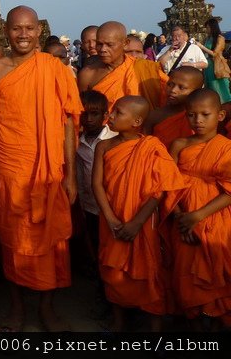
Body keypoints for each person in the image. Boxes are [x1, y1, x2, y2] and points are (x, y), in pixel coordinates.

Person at [0, 6, 82, 332]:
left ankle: (46, 309)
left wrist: (71, 175)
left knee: (52, 242)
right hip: (12, 168)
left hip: (51, 170)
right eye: (17, 28)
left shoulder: (55, 68)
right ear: (6, 30)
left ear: (39, 30)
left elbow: (67, 123)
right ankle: (18, 309)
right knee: (14, 239)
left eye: (29, 28)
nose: (23, 34)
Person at [91, 96, 187, 332]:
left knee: (149, 271)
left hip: (142, 222)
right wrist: (111, 219)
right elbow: (97, 185)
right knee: (113, 271)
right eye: (112, 111)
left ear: (136, 121)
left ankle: (155, 329)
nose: (110, 116)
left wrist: (137, 222)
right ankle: (119, 323)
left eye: (118, 113)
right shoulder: (104, 146)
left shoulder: (152, 147)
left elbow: (160, 189)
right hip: (111, 219)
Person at [169, 89, 231, 328]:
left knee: (214, 272)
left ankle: (212, 318)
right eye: (192, 115)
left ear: (221, 115)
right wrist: (179, 216)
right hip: (181, 216)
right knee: (184, 272)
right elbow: (168, 184)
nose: (199, 121)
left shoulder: (226, 148)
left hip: (214, 216)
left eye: (206, 114)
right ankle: (190, 320)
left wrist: (197, 215)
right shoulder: (179, 144)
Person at [78, 21, 167, 110]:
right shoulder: (88, 74)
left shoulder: (147, 70)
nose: (103, 49)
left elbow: (168, 103)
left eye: (109, 45)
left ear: (125, 43)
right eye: (99, 44)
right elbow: (82, 111)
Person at [75, 91, 115, 275]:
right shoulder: (76, 141)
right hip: (90, 205)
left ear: (105, 116)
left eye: (94, 114)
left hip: (112, 204)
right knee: (96, 242)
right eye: (84, 114)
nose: (89, 119)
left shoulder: (114, 139)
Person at [145, 66, 204, 149]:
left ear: (197, 91)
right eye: (170, 84)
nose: (173, 90)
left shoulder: (201, 117)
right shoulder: (155, 115)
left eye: (181, 87)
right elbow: (144, 145)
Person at [194, 18, 231, 104]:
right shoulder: (208, 38)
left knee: (220, 87)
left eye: (208, 27)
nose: (207, 30)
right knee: (210, 85)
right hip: (208, 65)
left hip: (217, 65)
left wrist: (202, 47)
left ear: (212, 27)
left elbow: (215, 53)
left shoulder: (220, 38)